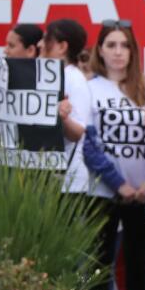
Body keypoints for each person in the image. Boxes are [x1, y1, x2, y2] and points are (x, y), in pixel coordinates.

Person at [82, 22, 145, 290]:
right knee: (99, 258)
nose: (118, 52)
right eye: (111, 45)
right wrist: (118, 183)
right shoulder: (89, 89)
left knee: (138, 260)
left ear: (133, 52)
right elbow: (87, 144)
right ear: (100, 50)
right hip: (103, 190)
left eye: (124, 45)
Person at [40, 17, 97, 200]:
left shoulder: (74, 79)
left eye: (47, 38)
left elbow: (77, 132)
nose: (41, 44)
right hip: (45, 180)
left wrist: (62, 118)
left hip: (67, 185)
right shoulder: (51, 76)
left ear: (62, 47)